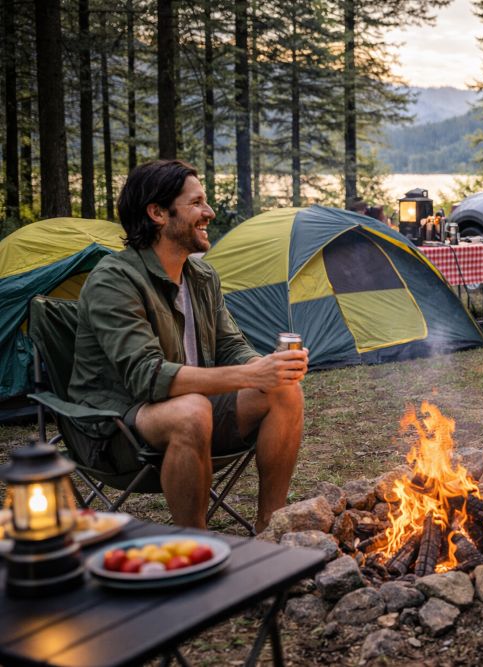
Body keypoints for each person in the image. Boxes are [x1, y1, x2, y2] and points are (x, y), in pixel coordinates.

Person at [69, 160, 309, 533]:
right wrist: (249, 373)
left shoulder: (201, 276)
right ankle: (196, 544)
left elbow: (231, 347)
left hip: (194, 414)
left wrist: (269, 367)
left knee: (283, 390)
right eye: (197, 203)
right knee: (192, 410)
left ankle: (270, 530)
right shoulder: (113, 281)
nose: (209, 213)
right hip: (118, 430)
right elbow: (147, 378)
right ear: (158, 213)